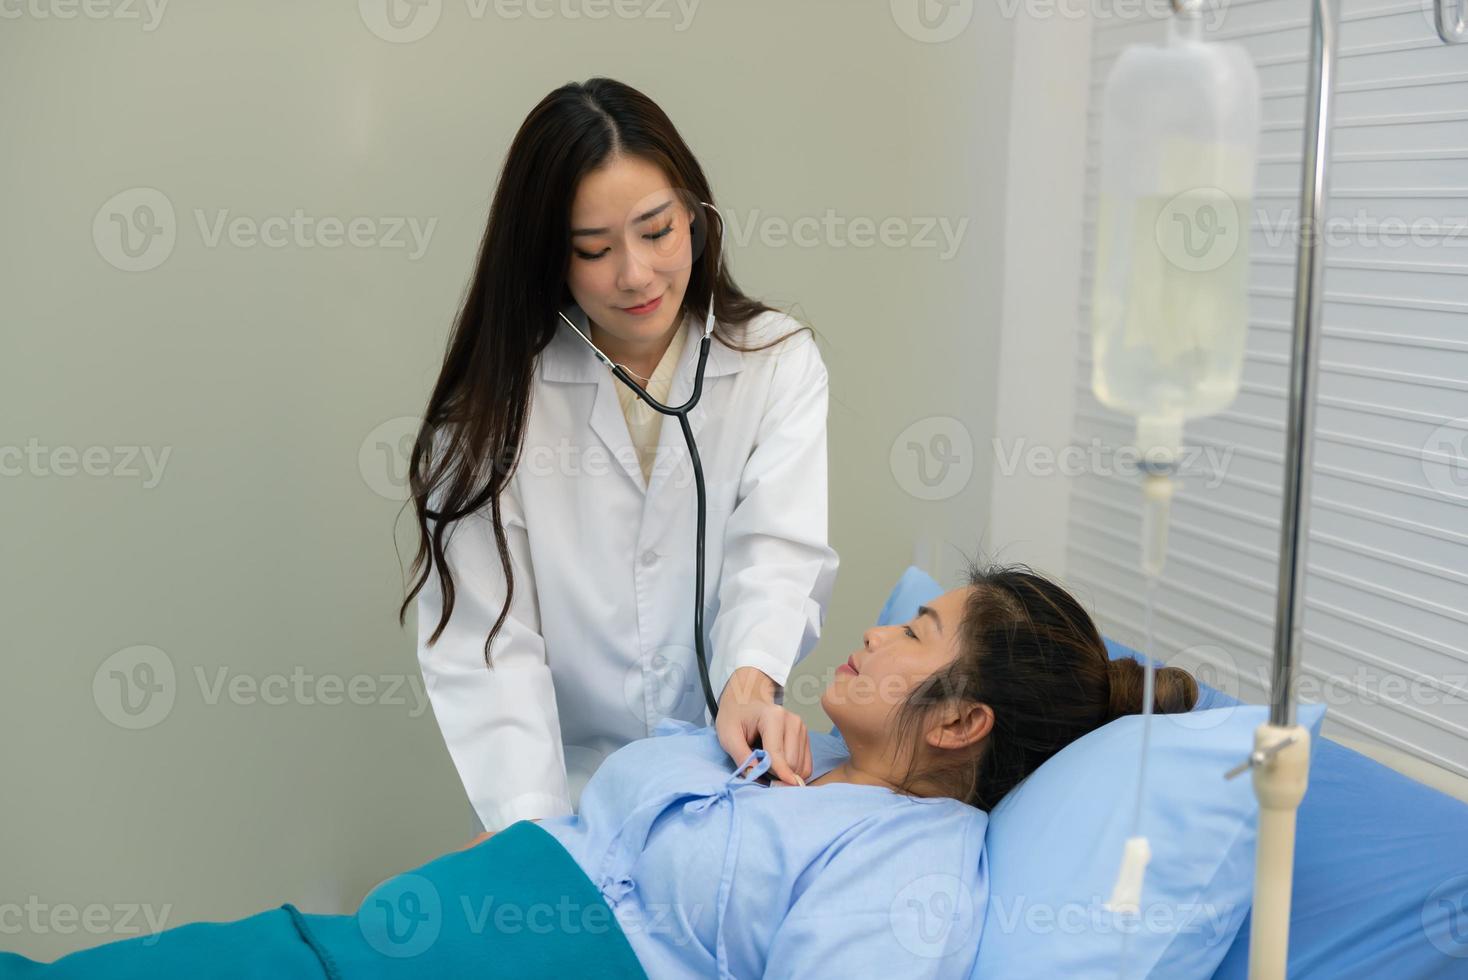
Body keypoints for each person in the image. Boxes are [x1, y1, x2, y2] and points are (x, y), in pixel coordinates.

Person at [0, 561, 1197, 978]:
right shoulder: (794, 756)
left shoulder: (914, 864)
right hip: (408, 928)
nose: (879, 630)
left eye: (917, 630)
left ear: (957, 722)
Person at [399, 76, 840, 837]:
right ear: (551, 260)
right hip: (562, 800)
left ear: (697, 219)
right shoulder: (491, 410)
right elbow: (489, 650)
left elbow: (776, 552)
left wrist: (749, 679)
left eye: (656, 230)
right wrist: (542, 841)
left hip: (719, 784)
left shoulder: (775, 362)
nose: (634, 275)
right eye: (594, 250)